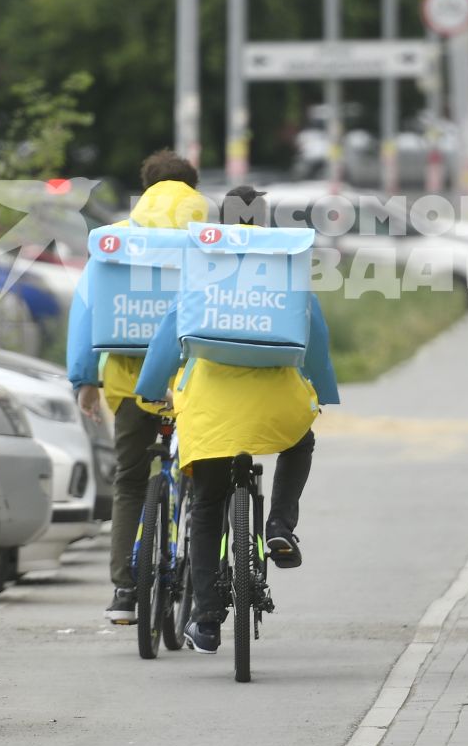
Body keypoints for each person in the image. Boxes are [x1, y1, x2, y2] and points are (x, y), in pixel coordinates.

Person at [134, 186, 338, 653]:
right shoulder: (284, 261)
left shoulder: (204, 263)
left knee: (206, 506)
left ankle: (207, 621)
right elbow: (316, 333)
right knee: (299, 440)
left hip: (211, 409)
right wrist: (322, 391)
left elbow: (171, 331)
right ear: (263, 222)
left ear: (220, 221)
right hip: (276, 401)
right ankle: (281, 527)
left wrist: (149, 390)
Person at [70, 150, 210, 625]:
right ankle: (200, 585)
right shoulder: (208, 239)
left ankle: (125, 591)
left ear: (145, 190)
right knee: (204, 484)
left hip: (130, 384)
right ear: (192, 189)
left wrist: (85, 378)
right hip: (194, 384)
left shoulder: (114, 242)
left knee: (129, 481)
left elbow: (89, 309)